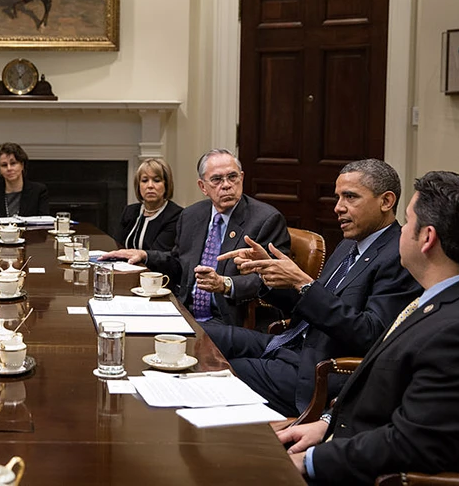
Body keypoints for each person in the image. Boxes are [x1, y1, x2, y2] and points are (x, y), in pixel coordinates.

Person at [277, 171, 459, 484]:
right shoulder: (443, 298)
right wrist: (326, 424)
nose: (400, 231)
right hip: (343, 441)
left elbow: (413, 444)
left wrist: (312, 461)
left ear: (427, 238)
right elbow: (398, 400)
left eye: (407, 222)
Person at [203, 159, 419, 417]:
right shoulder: (349, 245)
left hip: (318, 368)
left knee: (216, 371)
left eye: (350, 197)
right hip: (289, 344)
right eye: (338, 197)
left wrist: (303, 282)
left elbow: (370, 334)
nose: (338, 208)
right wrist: (268, 274)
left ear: (386, 201)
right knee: (199, 334)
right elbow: (310, 305)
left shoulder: (397, 256)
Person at [101, 149, 290, 326]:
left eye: (232, 177)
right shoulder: (192, 215)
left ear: (241, 178)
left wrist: (225, 284)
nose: (226, 185)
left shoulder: (265, 219)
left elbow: (273, 277)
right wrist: (145, 255)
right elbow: (178, 262)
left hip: (226, 317)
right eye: (216, 179)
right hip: (185, 310)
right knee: (120, 320)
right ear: (203, 186)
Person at [114, 157, 183, 252]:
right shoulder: (129, 211)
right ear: (138, 185)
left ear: (166, 185)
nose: (150, 186)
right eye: (144, 180)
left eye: (157, 180)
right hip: (125, 265)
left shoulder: (176, 215)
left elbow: (159, 254)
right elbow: (118, 245)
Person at [0, 143, 49, 218]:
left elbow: (44, 223)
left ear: (22, 165)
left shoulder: (38, 191)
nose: (9, 168)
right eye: (4, 165)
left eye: (13, 163)